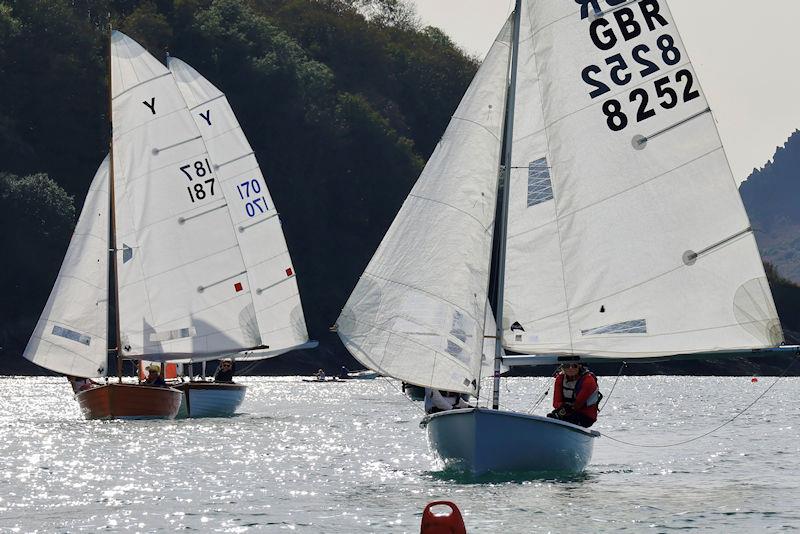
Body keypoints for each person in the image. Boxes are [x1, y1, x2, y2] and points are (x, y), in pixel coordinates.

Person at [547, 362, 600, 428]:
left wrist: (566, 409)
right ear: (563, 367)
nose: (570, 368)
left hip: (585, 416)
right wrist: (562, 406)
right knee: (550, 417)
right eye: (567, 366)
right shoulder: (560, 379)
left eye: (574, 366)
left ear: (579, 366)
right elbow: (555, 403)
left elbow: (577, 405)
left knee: (567, 419)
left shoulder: (588, 381)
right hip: (566, 411)